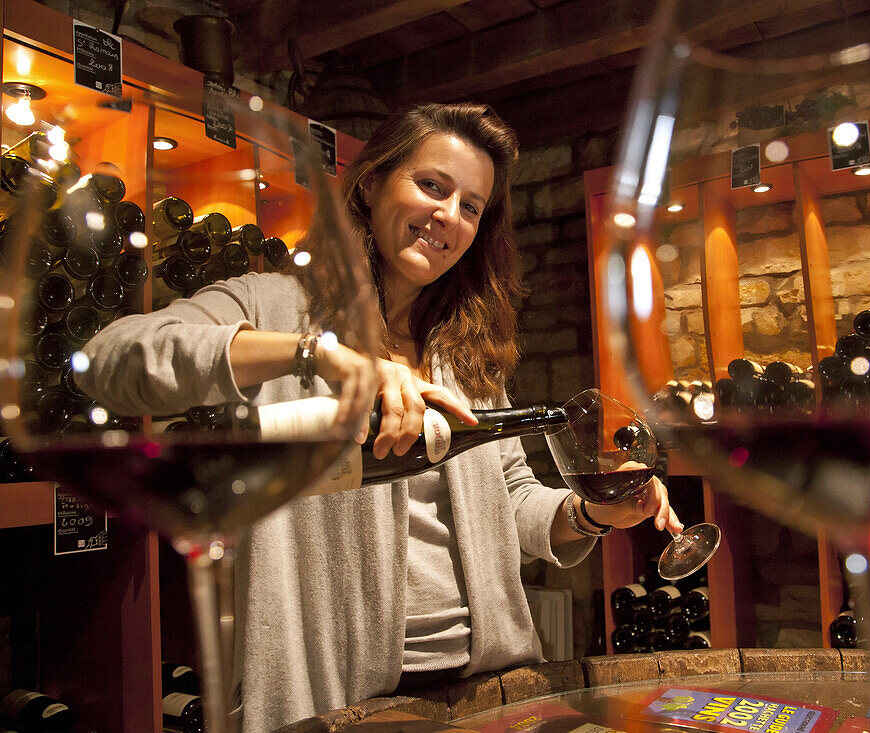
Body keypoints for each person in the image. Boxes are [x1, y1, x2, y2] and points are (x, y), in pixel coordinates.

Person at [77, 103, 682, 731]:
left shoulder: (463, 352)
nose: (448, 216)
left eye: (471, 206)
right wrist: (312, 354)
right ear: (370, 184)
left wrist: (589, 514)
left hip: (494, 685)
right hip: (341, 698)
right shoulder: (275, 304)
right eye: (432, 185)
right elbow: (109, 362)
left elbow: (512, 500)